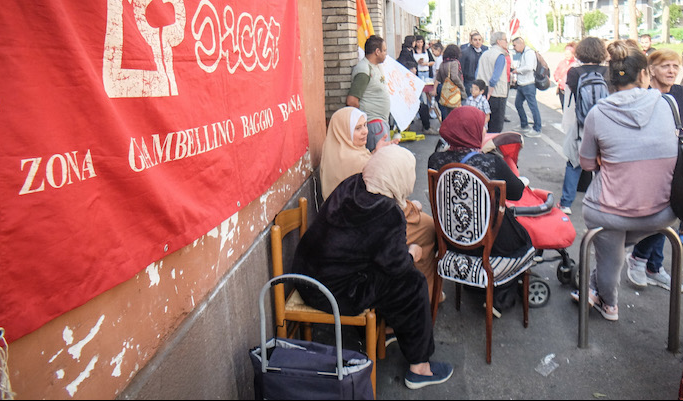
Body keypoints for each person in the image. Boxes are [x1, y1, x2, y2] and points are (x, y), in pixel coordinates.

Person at [293, 145, 454, 390]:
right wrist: (412, 253)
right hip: (332, 294)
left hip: (306, 275)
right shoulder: (387, 212)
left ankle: (388, 329)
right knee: (411, 283)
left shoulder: (353, 184)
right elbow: (397, 266)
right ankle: (420, 368)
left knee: (385, 274)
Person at [572, 40, 678, 321]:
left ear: (611, 79)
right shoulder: (668, 105)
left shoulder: (598, 113)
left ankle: (609, 304)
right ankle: (595, 285)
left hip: (611, 212)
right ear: (644, 74)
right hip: (663, 213)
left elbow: (586, 164)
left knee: (609, 246)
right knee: (612, 246)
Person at [319, 107, 440, 303]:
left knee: (419, 222)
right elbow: (380, 202)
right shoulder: (356, 160)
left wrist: (375, 153)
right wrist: (410, 207)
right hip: (363, 233)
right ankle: (423, 296)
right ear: (344, 131)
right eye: (357, 128)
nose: (365, 132)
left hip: (346, 229)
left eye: (364, 126)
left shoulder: (336, 150)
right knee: (428, 229)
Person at [428, 106, 533, 259]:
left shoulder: (435, 160)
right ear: (472, 131)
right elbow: (516, 193)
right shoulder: (492, 163)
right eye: (482, 126)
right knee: (524, 238)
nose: (485, 130)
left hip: (450, 240)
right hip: (491, 244)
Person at [626, 48, 683, 292]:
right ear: (651, 70)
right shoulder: (643, 96)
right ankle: (640, 259)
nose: (671, 71)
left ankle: (653, 266)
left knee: (669, 214)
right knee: (660, 214)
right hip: (649, 166)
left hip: (676, 166)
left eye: (675, 66)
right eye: (665, 66)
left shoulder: (679, 93)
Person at [558, 36, 609, 216]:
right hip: (605, 125)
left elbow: (571, 97)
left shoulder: (574, 72)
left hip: (581, 125)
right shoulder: (608, 72)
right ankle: (602, 202)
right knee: (603, 165)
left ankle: (566, 203)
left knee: (574, 163)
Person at [346, 35, 391, 152]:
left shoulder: (375, 67)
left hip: (379, 124)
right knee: (379, 159)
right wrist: (363, 121)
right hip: (374, 125)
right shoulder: (364, 70)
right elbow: (352, 101)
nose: (386, 54)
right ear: (377, 52)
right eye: (384, 50)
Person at [476, 31, 509, 134]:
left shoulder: (484, 54)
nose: (507, 42)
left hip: (483, 90)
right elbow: (495, 77)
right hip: (496, 93)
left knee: (485, 122)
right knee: (496, 125)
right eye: (505, 40)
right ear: (499, 41)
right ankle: (491, 143)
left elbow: (477, 73)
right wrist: (491, 89)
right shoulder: (500, 56)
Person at [511, 37, 542, 137]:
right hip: (521, 84)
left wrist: (517, 71)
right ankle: (524, 124)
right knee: (518, 104)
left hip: (528, 84)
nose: (514, 48)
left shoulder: (529, 53)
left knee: (533, 107)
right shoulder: (523, 53)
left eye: (515, 45)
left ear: (521, 44)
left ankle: (537, 128)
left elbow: (529, 67)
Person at [431, 44, 466, 121]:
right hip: (453, 90)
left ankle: (445, 125)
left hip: (444, 89)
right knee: (455, 111)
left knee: (445, 112)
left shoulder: (443, 63)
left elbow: (438, 78)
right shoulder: (454, 63)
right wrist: (461, 86)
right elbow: (454, 77)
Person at [460, 31, 488, 96]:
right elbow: (461, 69)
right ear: (471, 41)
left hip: (481, 81)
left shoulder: (484, 52)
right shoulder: (465, 52)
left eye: (479, 40)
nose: (478, 42)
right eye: (475, 40)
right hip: (469, 82)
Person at [553, 42, 577, 109]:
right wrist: (558, 79)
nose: (567, 56)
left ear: (573, 54)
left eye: (568, 54)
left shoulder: (575, 64)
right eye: (566, 54)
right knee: (564, 106)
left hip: (570, 89)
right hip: (562, 89)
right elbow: (556, 72)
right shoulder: (562, 63)